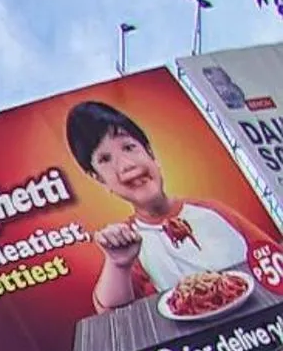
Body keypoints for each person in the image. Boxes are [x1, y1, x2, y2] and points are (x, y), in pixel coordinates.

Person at [65, 99, 279, 312]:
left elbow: (275, 260)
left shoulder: (213, 211)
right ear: (99, 179)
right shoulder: (129, 242)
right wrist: (118, 264)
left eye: (129, 147)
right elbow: (110, 312)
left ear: (151, 154)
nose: (126, 165)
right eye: (105, 159)